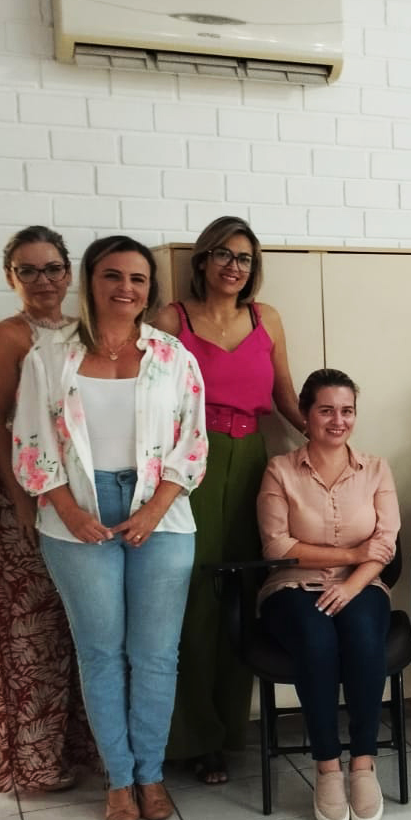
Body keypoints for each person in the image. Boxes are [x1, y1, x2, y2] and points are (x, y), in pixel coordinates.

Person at [13, 235, 207, 820]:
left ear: (150, 290)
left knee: (156, 656)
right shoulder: (48, 357)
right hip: (76, 513)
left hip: (163, 514)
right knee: (101, 653)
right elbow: (30, 444)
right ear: (89, 282)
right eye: (113, 276)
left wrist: (152, 510)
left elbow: (192, 445)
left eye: (138, 279)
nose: (126, 288)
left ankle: (151, 774)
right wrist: (68, 509)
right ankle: (118, 780)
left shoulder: (174, 356)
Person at [153, 216, 307, 786]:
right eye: (221, 254)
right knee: (193, 596)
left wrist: (324, 434)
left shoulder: (267, 319)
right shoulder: (172, 319)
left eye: (243, 258)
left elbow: (284, 395)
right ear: (201, 260)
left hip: (251, 462)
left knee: (245, 591)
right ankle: (194, 737)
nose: (232, 266)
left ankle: (229, 729)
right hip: (191, 461)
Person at [0, 226, 95, 794]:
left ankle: (85, 749)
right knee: (31, 633)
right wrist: (22, 500)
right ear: (10, 277)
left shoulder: (87, 331)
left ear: (69, 273)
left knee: (83, 628)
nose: (43, 280)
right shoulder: (5, 337)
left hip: (82, 499)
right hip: (21, 502)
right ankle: (36, 764)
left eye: (53, 268)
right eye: (29, 270)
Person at [258, 369, 397, 820]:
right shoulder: (280, 469)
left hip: (362, 583)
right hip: (293, 586)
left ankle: (362, 762)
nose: (338, 421)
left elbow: (386, 543)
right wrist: (351, 553)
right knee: (317, 642)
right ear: (304, 415)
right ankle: (326, 767)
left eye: (347, 411)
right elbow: (276, 546)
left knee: (361, 635)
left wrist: (353, 581)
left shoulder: (376, 469)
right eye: (326, 410)